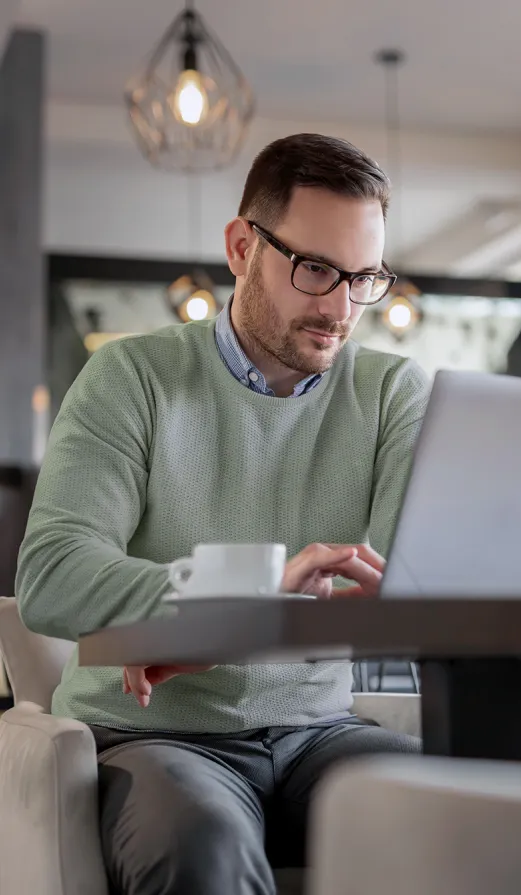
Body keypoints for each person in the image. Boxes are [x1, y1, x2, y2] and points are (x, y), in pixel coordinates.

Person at [16, 133, 429, 895]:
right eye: (315, 270)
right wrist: (252, 591)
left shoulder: (392, 393)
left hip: (319, 733)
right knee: (201, 842)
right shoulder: (129, 378)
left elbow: (425, 573)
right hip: (152, 735)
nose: (340, 307)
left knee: (451, 815)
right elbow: (52, 576)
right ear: (243, 246)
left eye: (363, 277)